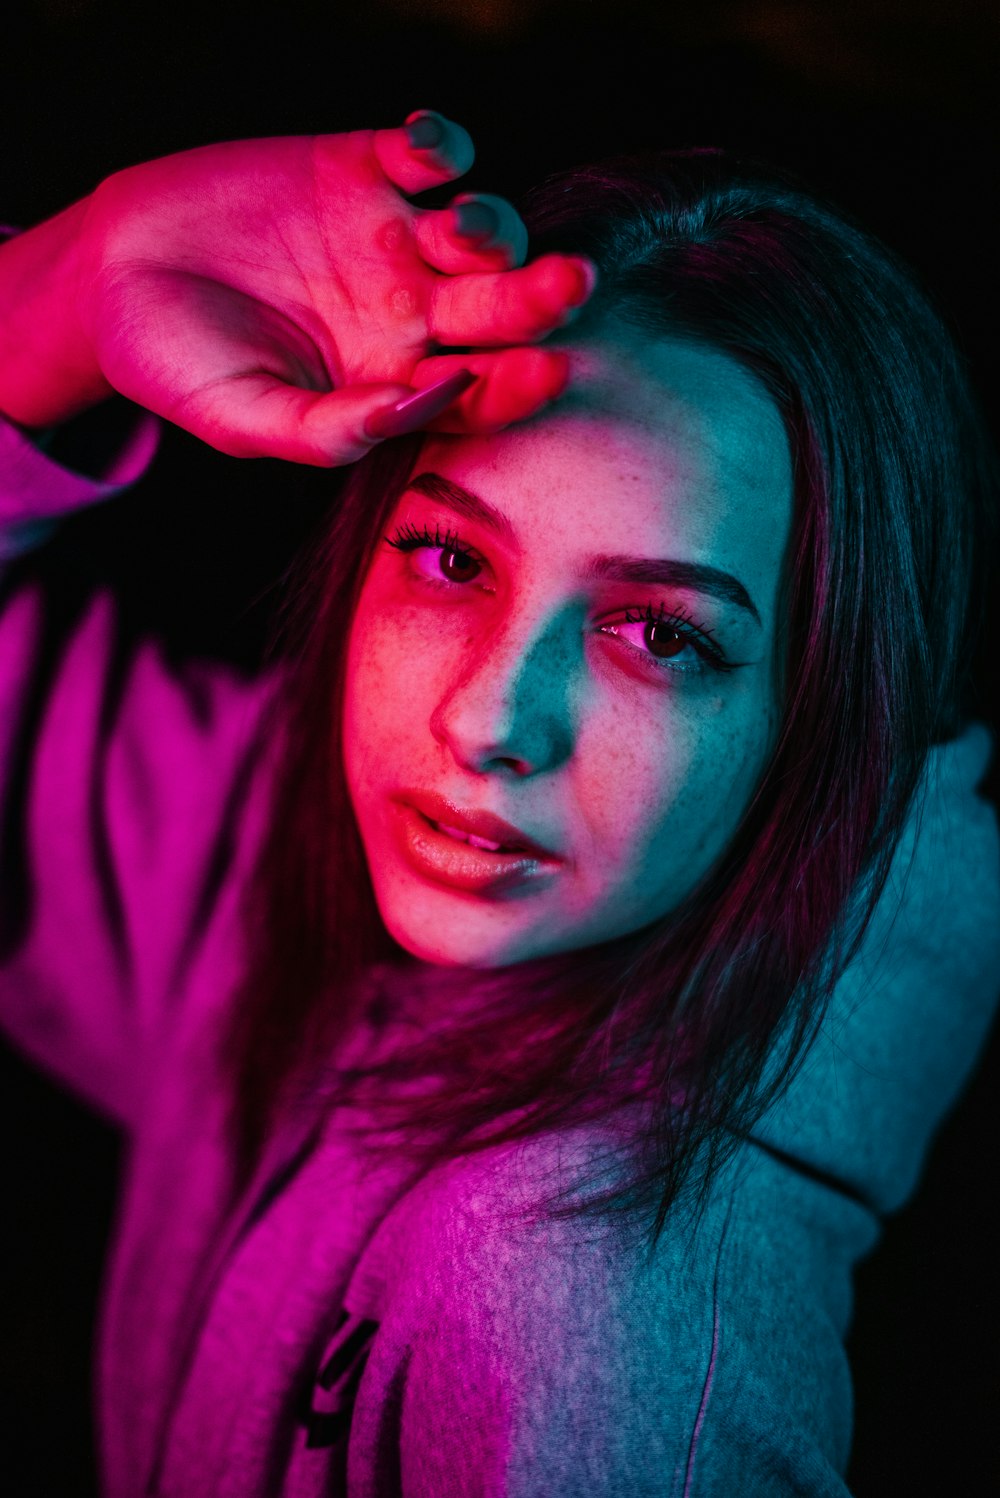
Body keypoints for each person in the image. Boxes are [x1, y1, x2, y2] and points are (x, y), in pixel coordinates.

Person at [0, 110, 997, 1497]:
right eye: (449, 558)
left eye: (661, 634)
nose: (485, 721)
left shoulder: (584, 1318)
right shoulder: (252, 855)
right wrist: (59, 287)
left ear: (818, 732)